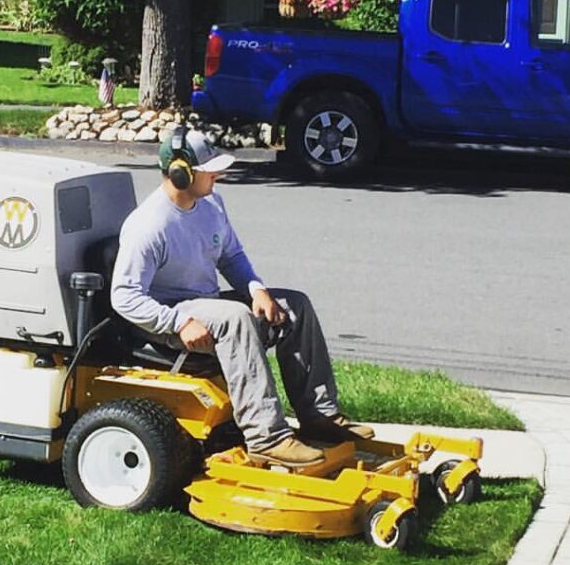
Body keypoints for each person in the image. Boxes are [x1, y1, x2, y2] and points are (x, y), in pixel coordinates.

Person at [110, 127, 373, 468]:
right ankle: (267, 438)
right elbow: (125, 297)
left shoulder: (210, 203)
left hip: (204, 303)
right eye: (210, 170)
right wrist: (178, 322)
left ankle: (318, 415)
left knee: (296, 306)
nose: (218, 174)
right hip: (169, 316)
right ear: (181, 172)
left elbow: (231, 256)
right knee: (236, 319)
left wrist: (256, 289)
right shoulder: (149, 226)